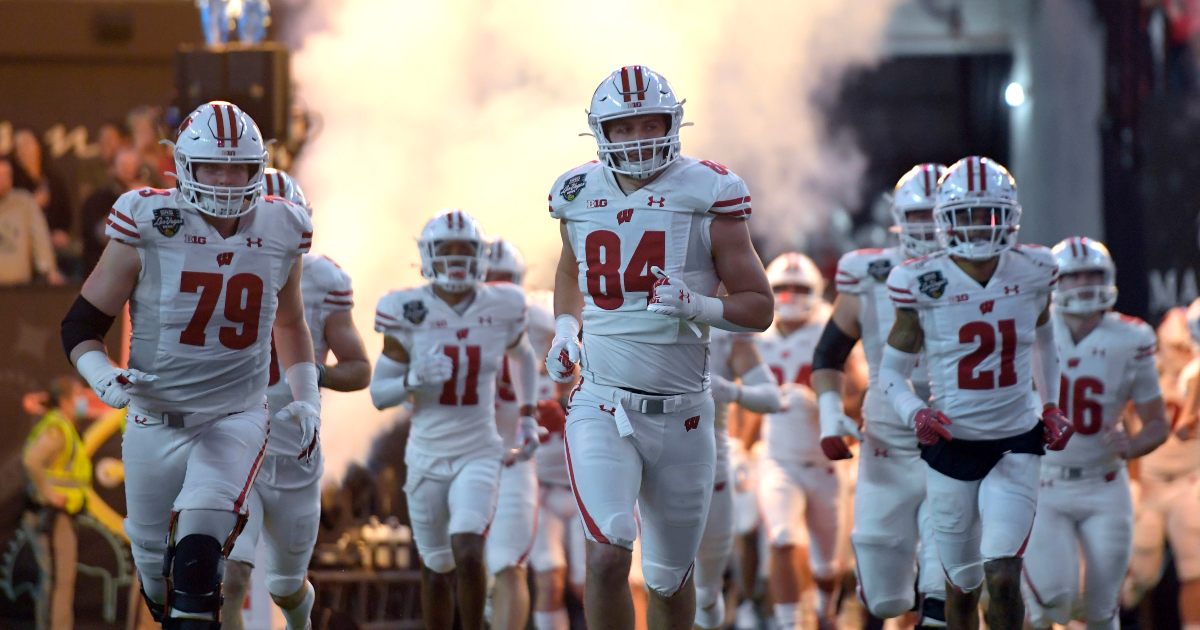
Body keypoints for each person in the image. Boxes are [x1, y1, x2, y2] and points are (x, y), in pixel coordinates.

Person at [60, 100, 320, 628]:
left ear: (259, 167)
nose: (227, 180)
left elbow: (290, 323)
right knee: (156, 573)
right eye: (212, 166)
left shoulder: (282, 226)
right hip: (153, 419)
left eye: (240, 167)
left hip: (233, 418)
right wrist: (101, 375)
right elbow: (80, 326)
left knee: (199, 559)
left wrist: (306, 394)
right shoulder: (150, 221)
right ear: (184, 165)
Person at [546, 64, 773, 629]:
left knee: (670, 578)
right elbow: (572, 270)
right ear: (601, 132)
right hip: (602, 402)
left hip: (683, 416)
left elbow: (760, 307)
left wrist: (701, 306)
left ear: (673, 122)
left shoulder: (709, 191)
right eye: (625, 126)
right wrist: (566, 329)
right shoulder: (576, 192)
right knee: (607, 551)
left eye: (651, 122)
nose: (640, 136)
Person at [879, 156, 1072, 630]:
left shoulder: (1035, 268)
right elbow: (890, 373)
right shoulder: (920, 279)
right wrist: (914, 414)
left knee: (1003, 574)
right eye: (966, 213)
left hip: (1015, 441)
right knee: (960, 590)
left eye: (989, 213)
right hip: (953, 445)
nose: (979, 225)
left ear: (1009, 215)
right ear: (945, 218)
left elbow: (1044, 338)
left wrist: (1050, 401)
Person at [371, 209, 541, 630]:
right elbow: (378, 394)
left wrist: (530, 415)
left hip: (478, 450)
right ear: (428, 257)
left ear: (481, 257)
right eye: (446, 251)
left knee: (468, 547)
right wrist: (411, 380)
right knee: (436, 567)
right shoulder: (406, 308)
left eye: (465, 251)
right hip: (427, 453)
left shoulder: (503, 305)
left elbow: (525, 356)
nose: (457, 261)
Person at [221, 168, 371, 630]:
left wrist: (309, 371)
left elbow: (359, 368)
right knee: (229, 575)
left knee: (286, 586)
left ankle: (300, 622)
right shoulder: (212, 263)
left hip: (293, 456)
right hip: (233, 448)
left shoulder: (324, 279)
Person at [812, 163, 949, 628]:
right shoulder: (870, 272)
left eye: (939, 215)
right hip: (888, 438)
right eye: (919, 217)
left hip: (958, 435)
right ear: (898, 219)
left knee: (943, 581)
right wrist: (831, 415)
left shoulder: (990, 275)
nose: (930, 228)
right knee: (886, 598)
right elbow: (829, 353)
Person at [1018, 236, 1167, 629]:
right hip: (1044, 485)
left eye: (1092, 274)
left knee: (1103, 610)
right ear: (1054, 282)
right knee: (1052, 602)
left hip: (1105, 484)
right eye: (1074, 275)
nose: (1084, 283)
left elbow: (1157, 422)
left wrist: (1133, 445)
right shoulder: (1029, 330)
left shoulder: (1132, 337)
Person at [753, 252, 843, 629]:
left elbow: (857, 392)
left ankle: (825, 609)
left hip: (824, 463)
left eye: (799, 288)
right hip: (778, 459)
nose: (789, 296)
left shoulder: (831, 329)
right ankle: (790, 623)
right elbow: (744, 395)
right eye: (781, 289)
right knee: (783, 538)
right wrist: (740, 447)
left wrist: (823, 401)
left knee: (827, 566)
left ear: (816, 291)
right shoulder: (756, 332)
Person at [695, 326, 781, 629]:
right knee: (663, 578)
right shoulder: (632, 314)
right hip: (650, 455)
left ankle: (739, 603)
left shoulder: (723, 330)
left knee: (705, 590)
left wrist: (731, 391)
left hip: (709, 455)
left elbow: (772, 397)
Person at [1124, 302, 1200, 629]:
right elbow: (1120, 423)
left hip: (1191, 479)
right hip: (1152, 482)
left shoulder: (1195, 374)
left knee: (1195, 566)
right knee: (1139, 572)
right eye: (1176, 347)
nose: (1182, 353)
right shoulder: (1143, 374)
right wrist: (1134, 481)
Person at [482, 238, 542, 629]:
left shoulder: (541, 317)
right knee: (454, 562)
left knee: (508, 564)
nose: (500, 289)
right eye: (493, 279)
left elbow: (580, 366)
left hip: (514, 456)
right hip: (462, 453)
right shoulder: (451, 316)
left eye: (507, 280)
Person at [22, 376, 93, 630]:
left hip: (61, 516)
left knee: (60, 581)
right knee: (56, 582)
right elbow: (32, 460)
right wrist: (50, 494)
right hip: (51, 516)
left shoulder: (66, 426)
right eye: (79, 396)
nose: (84, 401)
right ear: (64, 400)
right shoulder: (57, 428)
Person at [80, 147, 150, 275]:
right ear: (113, 169)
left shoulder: (149, 198)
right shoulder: (97, 199)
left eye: (133, 166)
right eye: (123, 166)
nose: (128, 171)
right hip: (104, 272)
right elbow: (103, 234)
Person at [0, 157, 63, 286]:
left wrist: (49, 270)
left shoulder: (24, 202)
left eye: (7, 175)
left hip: (18, 287)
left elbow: (40, 237)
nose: (3, 180)